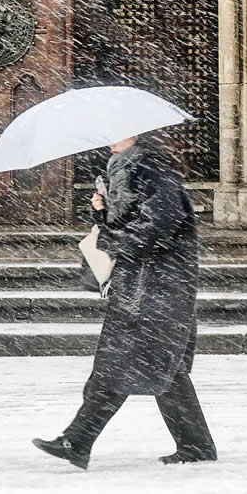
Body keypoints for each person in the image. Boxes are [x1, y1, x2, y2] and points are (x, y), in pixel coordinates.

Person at [33, 133, 217, 470]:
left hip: (160, 288)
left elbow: (155, 230)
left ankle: (78, 440)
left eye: (117, 132)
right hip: (143, 287)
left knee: (118, 365)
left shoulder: (156, 175)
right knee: (164, 369)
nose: (109, 139)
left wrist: (108, 237)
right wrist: (102, 211)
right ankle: (196, 445)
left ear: (138, 135)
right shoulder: (128, 174)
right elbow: (134, 228)